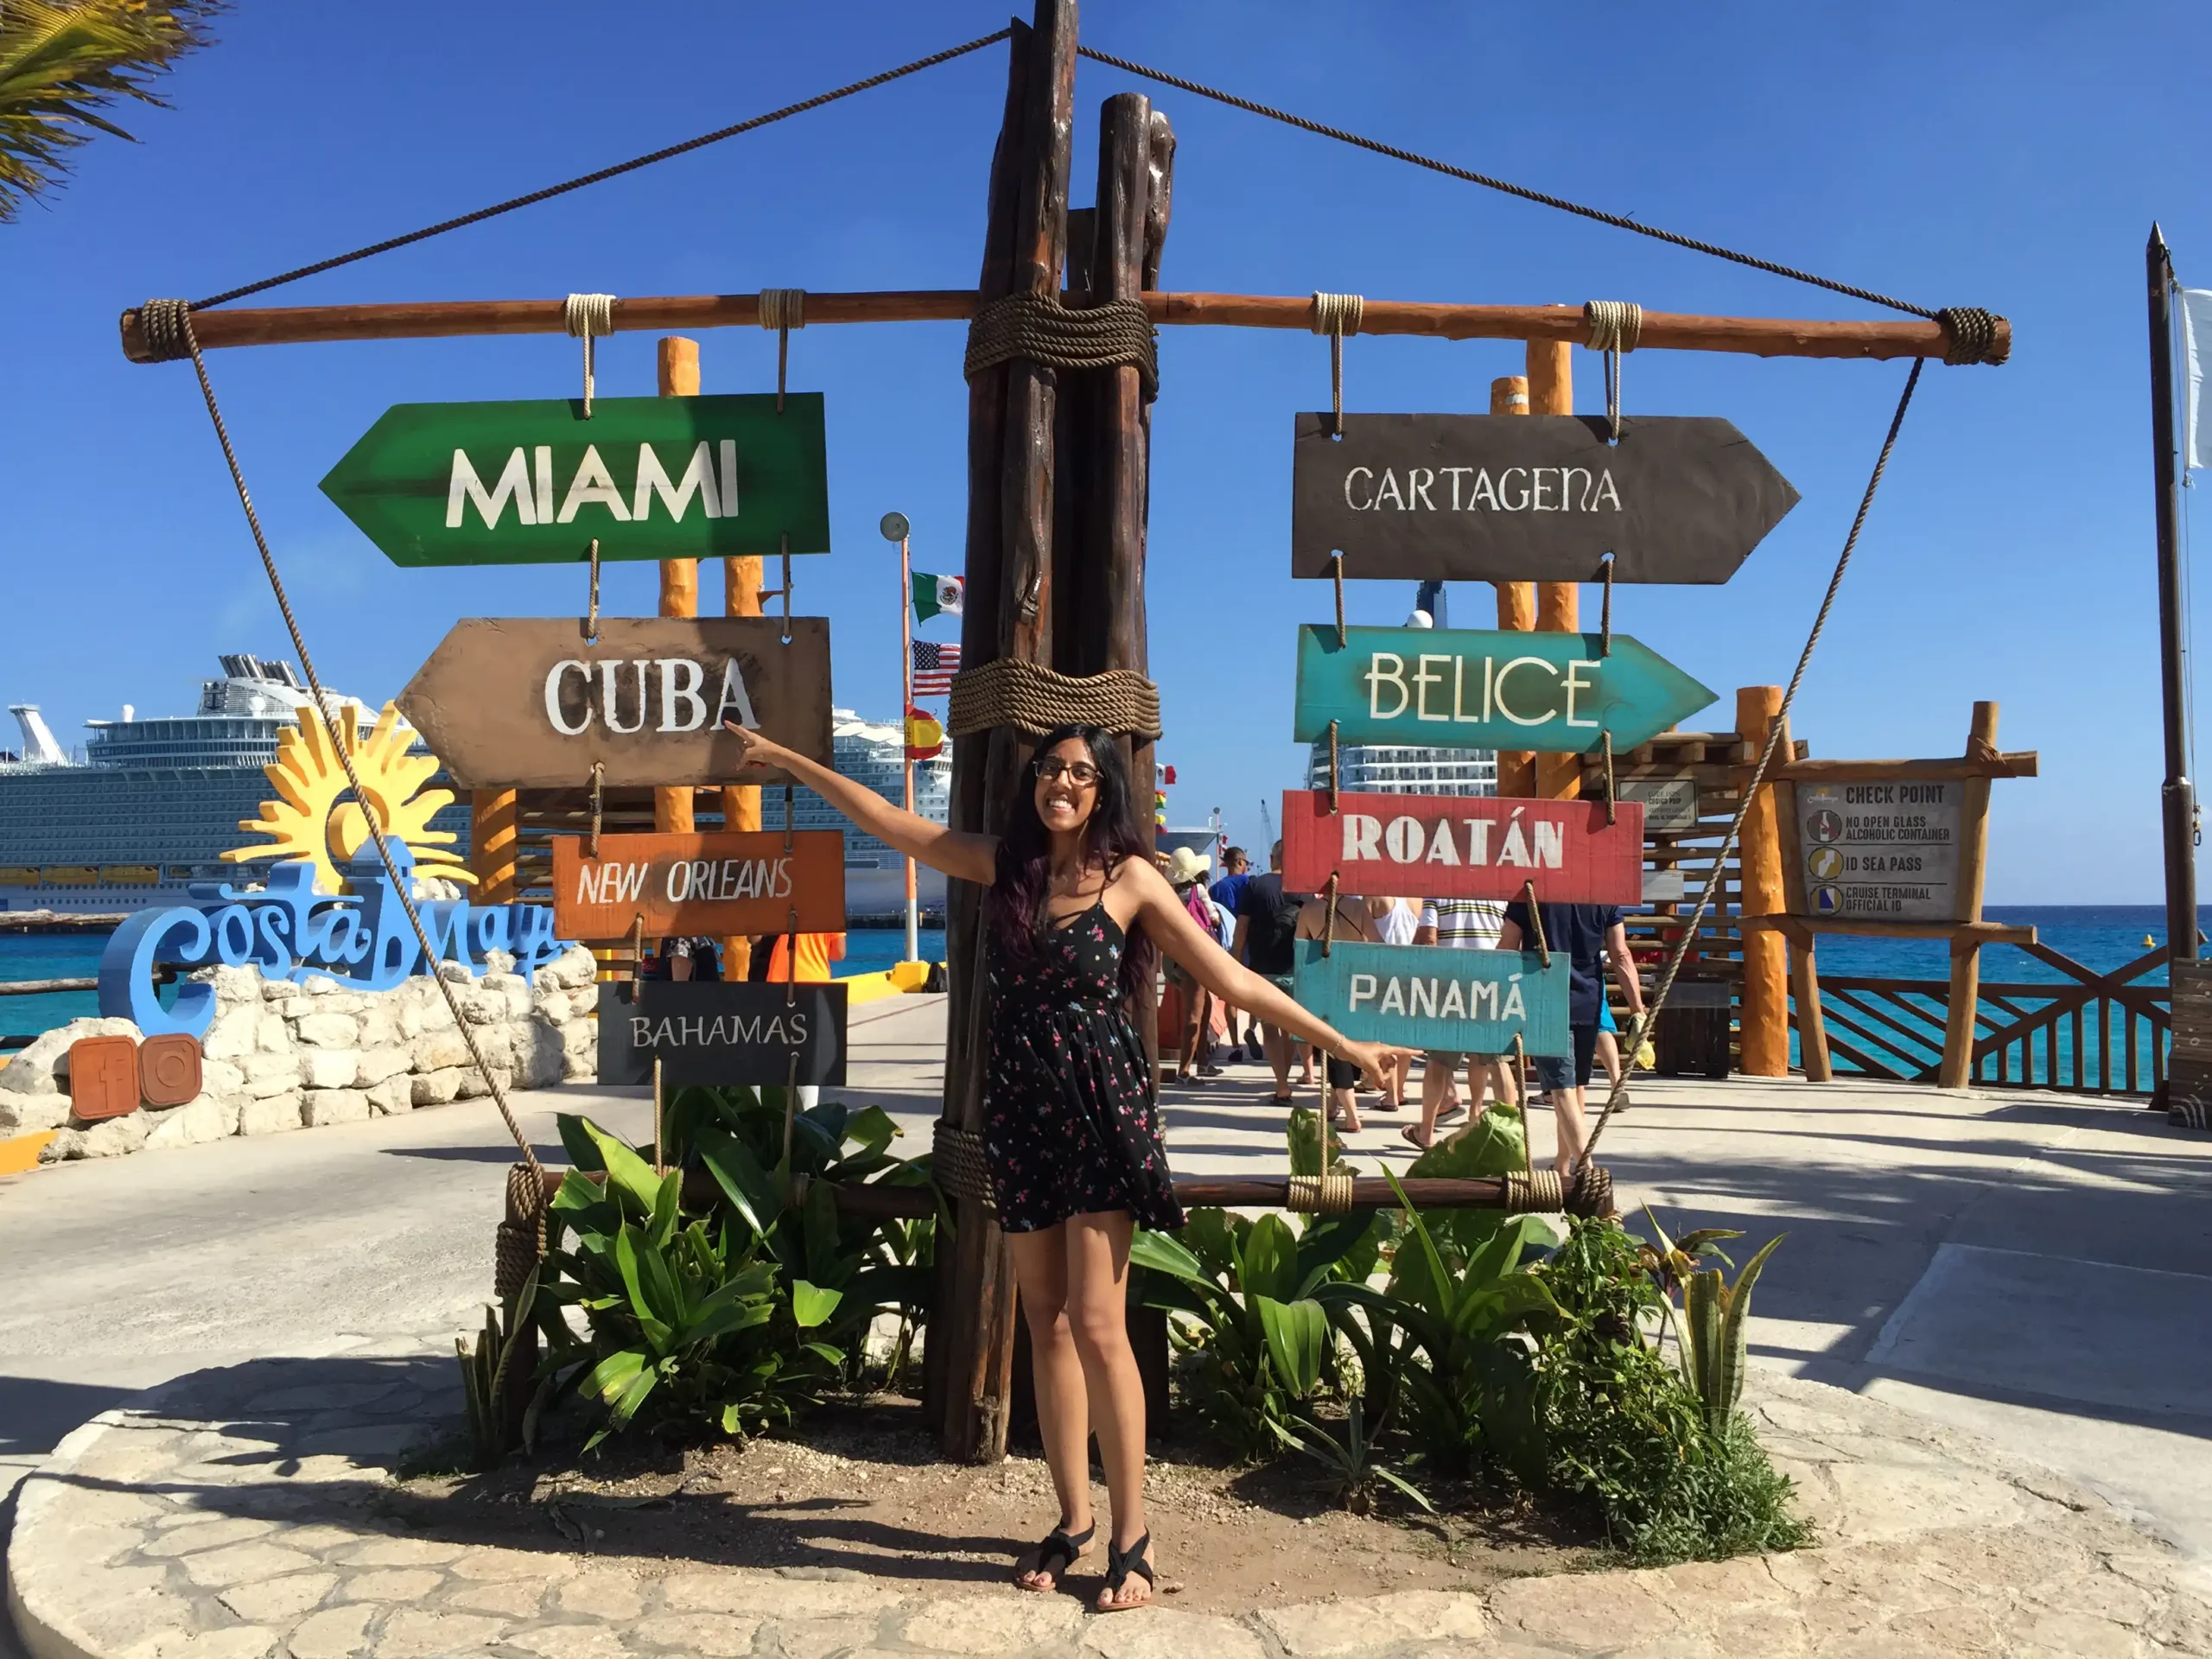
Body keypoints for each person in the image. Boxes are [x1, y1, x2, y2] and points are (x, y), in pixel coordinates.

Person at [717, 719, 1389, 1610]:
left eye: (1078, 772)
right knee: (1046, 1321)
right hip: (1021, 1114)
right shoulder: (1009, 868)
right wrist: (782, 758)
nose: (1060, 784)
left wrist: (1344, 1044)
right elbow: (889, 821)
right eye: (1048, 770)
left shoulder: (1131, 879)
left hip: (1102, 1115)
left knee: (1101, 1326)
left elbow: (1236, 984)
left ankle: (1133, 1536)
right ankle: (1073, 1519)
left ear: (1103, 788)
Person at [1497, 898, 1645, 1174]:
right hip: (1588, 1001)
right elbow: (1621, 954)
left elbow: (1507, 947)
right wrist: (1637, 1009)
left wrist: (1491, 997)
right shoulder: (1603, 899)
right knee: (1574, 1088)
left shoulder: (1530, 896)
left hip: (1544, 1001)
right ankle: (1563, 1166)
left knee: (1562, 1090)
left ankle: (1586, 1171)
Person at [1402, 897, 1520, 1151]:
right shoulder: (1498, 892)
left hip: (1450, 980)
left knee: (1438, 1062)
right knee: (1497, 1061)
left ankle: (1426, 1132)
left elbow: (1429, 938)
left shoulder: (1439, 892)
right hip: (1491, 979)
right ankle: (1506, 1131)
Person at [1293, 888, 1395, 1132]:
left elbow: (1299, 951)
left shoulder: (1309, 910)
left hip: (1327, 980)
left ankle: (1352, 1117)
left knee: (1335, 1047)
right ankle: (1333, 1106)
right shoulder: (1359, 907)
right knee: (1350, 1042)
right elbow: (1377, 943)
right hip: (1358, 982)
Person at [1231, 841, 1313, 1103]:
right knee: (1289, 1028)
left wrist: (1235, 961)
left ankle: (1281, 1085)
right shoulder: (1305, 890)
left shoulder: (1255, 886)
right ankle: (1285, 1077)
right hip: (1295, 968)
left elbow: (1241, 928)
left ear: (1272, 857)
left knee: (1269, 1028)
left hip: (1262, 968)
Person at [766, 931, 848, 1108]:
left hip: (779, 979)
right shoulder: (830, 909)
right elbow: (839, 953)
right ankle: (806, 1114)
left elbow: (755, 937)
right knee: (810, 1057)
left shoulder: (782, 903)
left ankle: (778, 1113)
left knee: (778, 1054)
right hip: (814, 981)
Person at [1164, 848, 1224, 1083]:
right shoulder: (1198, 890)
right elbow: (1213, 917)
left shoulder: (1170, 894)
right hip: (1197, 956)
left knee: (1204, 1005)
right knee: (1194, 1016)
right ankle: (1185, 1071)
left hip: (1177, 958)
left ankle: (1203, 1064)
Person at [1208, 848, 1255, 1058]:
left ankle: (1235, 1046)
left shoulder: (1216, 889)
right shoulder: (1251, 884)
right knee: (1257, 992)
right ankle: (1251, 1029)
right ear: (1239, 861)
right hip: (1251, 945)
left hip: (1226, 947)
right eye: (1247, 861)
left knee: (1229, 997)